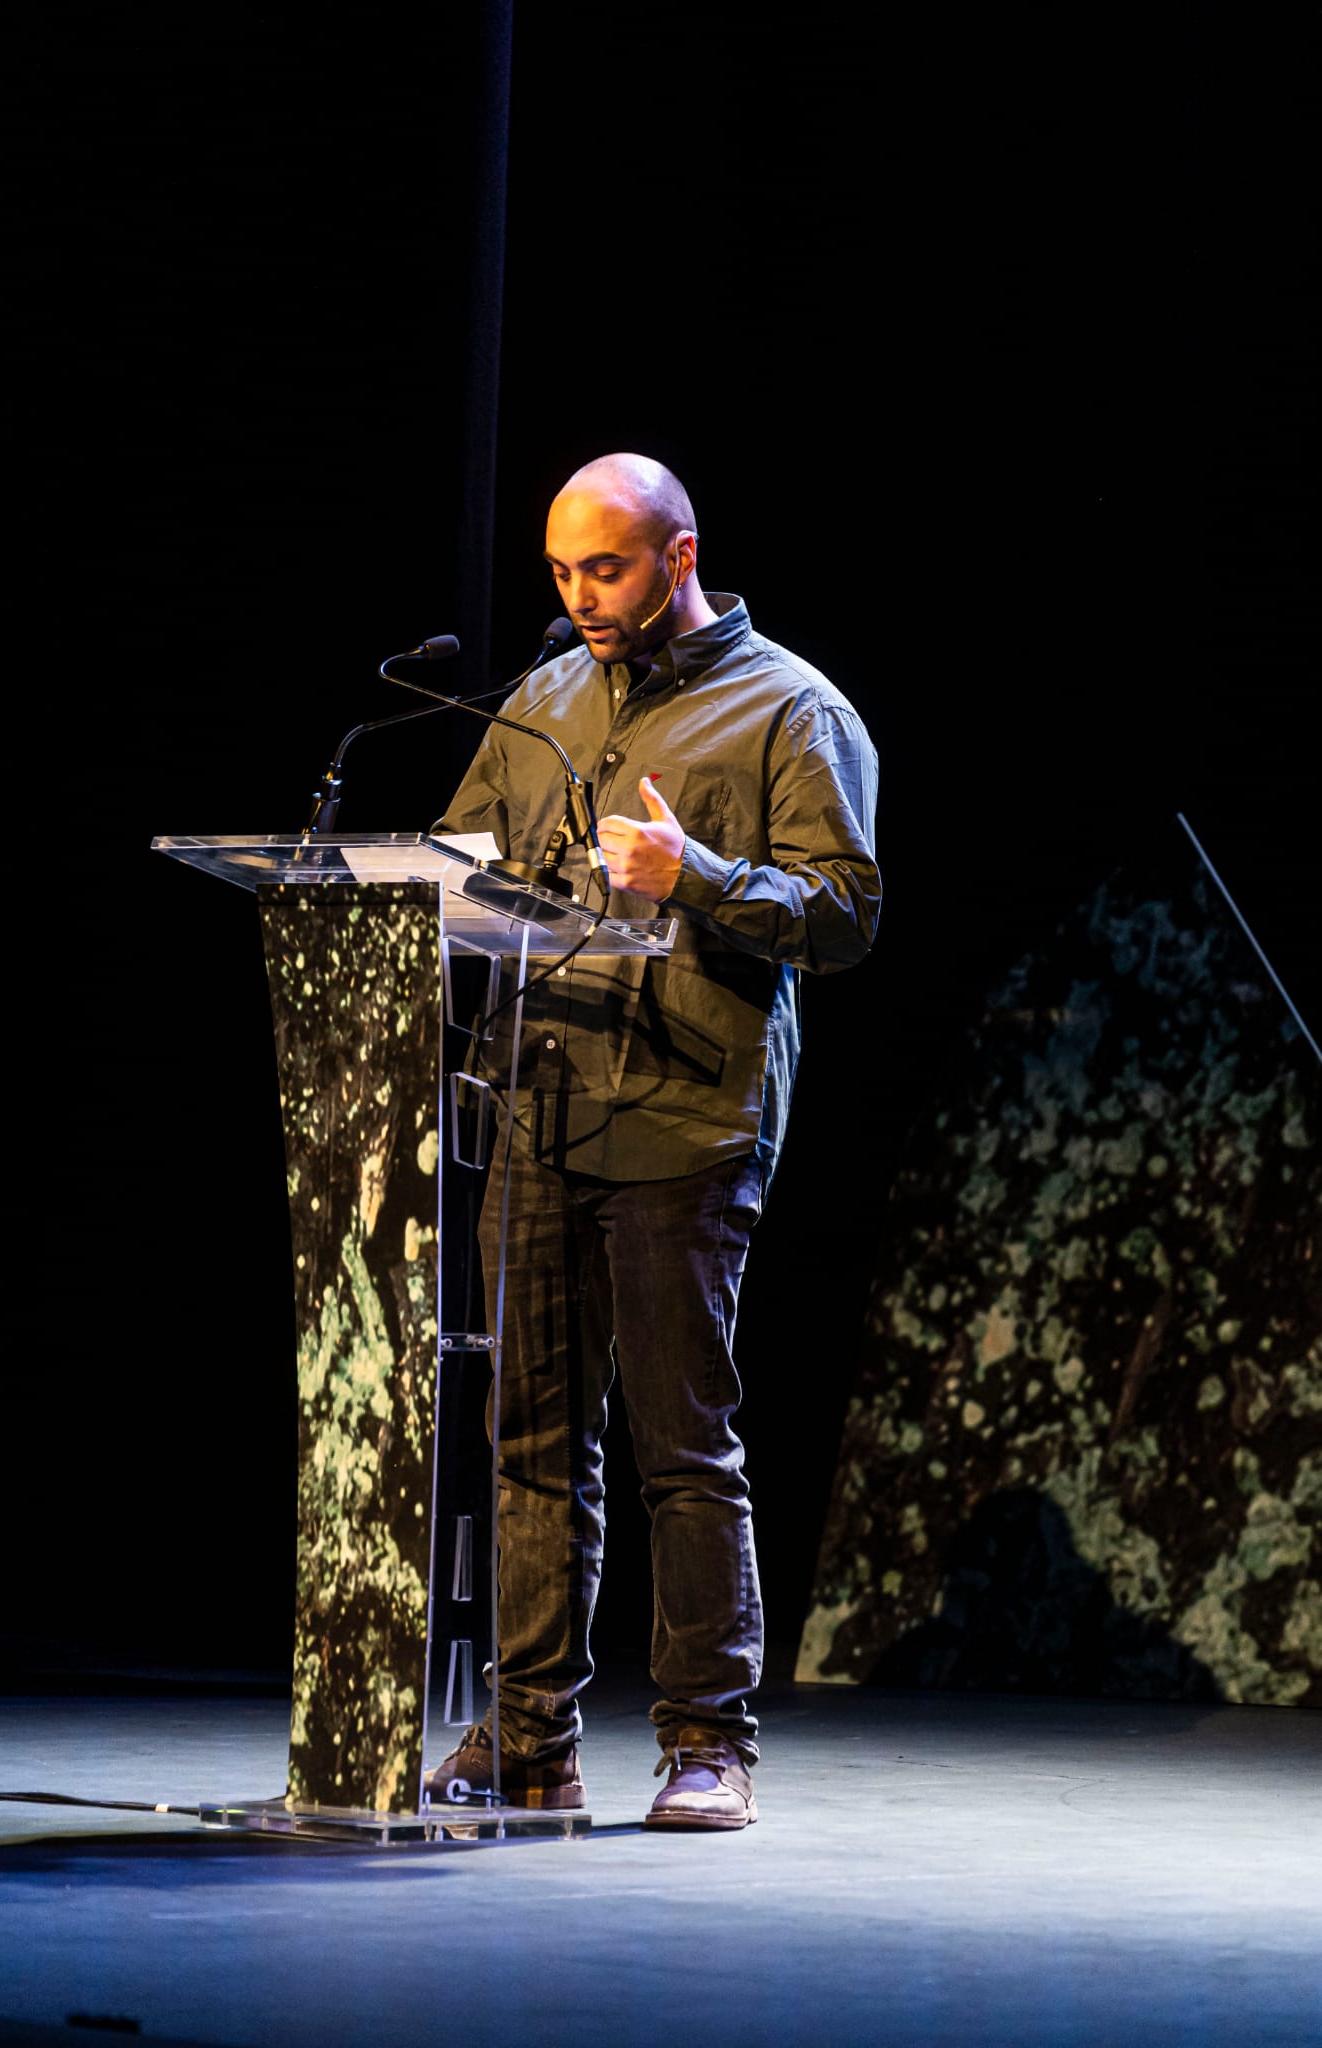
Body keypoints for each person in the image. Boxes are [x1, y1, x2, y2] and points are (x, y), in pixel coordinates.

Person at [425, 453, 881, 1828]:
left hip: (688, 1109)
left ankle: (706, 1745)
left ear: (680, 558)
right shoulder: (545, 692)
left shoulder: (791, 708)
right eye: (561, 573)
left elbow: (848, 915)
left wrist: (697, 878)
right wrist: (447, 895)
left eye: (605, 569)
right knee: (529, 1443)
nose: (580, 597)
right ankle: (525, 1739)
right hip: (540, 1102)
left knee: (683, 1441)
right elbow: (459, 851)